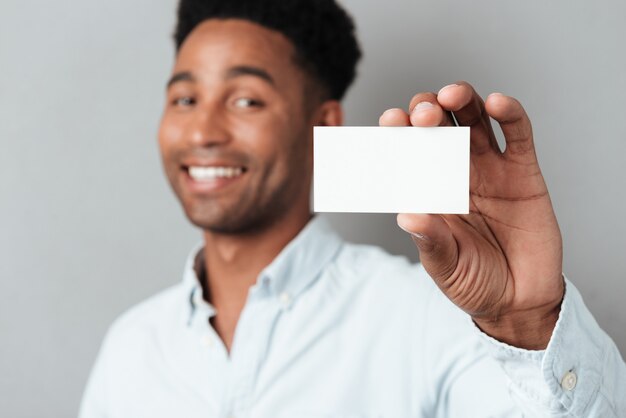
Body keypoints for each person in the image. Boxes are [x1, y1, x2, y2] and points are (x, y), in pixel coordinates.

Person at [79, 0, 626, 417]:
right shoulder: (132, 345)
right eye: (184, 99)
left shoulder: (443, 321)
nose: (201, 130)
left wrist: (525, 322)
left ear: (324, 125)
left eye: (246, 100)